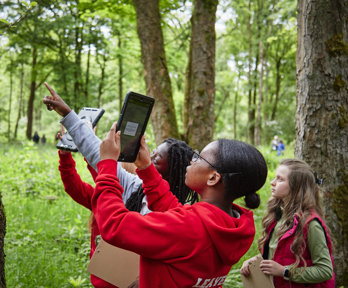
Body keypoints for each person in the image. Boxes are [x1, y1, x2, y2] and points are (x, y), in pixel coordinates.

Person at [90, 123, 268, 287]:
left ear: (213, 178)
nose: (191, 160)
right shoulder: (233, 225)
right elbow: (176, 210)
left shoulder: (187, 227)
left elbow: (115, 224)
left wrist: (107, 164)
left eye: (198, 157)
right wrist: (146, 167)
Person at [42, 82, 198, 215]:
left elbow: (115, 223)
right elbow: (98, 155)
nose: (149, 157)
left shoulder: (177, 214)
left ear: (173, 173)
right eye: (153, 152)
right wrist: (67, 113)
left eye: (157, 158)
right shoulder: (136, 187)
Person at [240, 159, 335, 287]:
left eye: (280, 179)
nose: (272, 183)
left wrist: (285, 271)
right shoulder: (277, 216)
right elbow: (277, 253)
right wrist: (256, 261)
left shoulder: (311, 224)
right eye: (275, 178)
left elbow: (325, 271)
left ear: (296, 187)